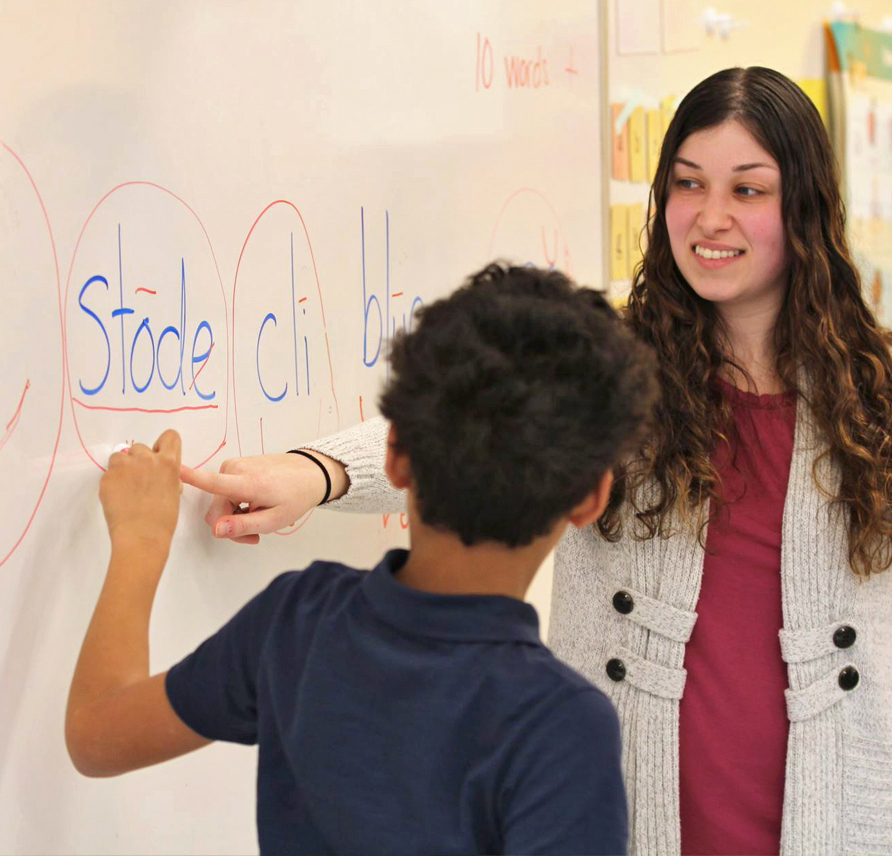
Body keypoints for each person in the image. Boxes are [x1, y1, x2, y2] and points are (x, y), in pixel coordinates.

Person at [184, 67, 892, 856]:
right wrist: (318, 473)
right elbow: (477, 422)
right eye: (689, 184)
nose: (711, 218)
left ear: (804, 206)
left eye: (749, 190)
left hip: (838, 819)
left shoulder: (876, 396)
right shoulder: (618, 362)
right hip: (625, 813)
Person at [66, 263, 659, 856]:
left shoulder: (296, 621)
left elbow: (96, 734)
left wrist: (141, 540)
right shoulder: (561, 726)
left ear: (394, 456)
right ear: (592, 499)